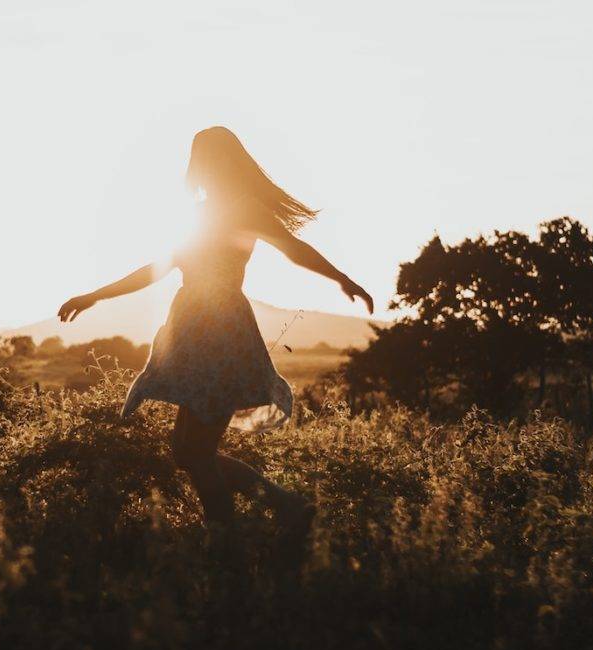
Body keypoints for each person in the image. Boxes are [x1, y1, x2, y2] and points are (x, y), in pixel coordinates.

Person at [58, 126, 373, 546]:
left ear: (223, 163)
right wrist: (95, 295)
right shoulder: (200, 214)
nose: (200, 168)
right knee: (187, 452)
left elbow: (294, 250)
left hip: (221, 334)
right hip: (192, 333)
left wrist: (342, 279)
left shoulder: (245, 208)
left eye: (206, 159)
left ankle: (231, 539)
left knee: (197, 454)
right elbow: (157, 267)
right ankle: (284, 507)